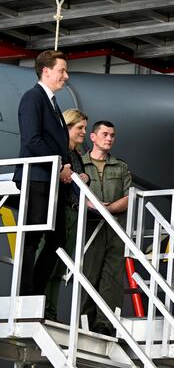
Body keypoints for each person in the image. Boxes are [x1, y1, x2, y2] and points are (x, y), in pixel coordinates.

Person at [12, 50, 73, 298]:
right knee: (32, 238)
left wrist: (68, 169)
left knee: (57, 239)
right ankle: (26, 294)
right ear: (46, 72)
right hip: (38, 178)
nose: (66, 76)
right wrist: (59, 166)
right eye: (62, 70)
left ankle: (35, 291)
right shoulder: (33, 98)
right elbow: (32, 140)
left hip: (51, 180)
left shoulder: (52, 103)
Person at [80, 120, 131, 334]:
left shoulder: (120, 166)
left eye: (112, 135)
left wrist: (108, 210)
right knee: (89, 274)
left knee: (113, 277)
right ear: (93, 137)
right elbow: (75, 194)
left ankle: (105, 324)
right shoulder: (80, 164)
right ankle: (84, 321)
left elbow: (129, 196)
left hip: (115, 228)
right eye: (104, 134)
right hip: (90, 227)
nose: (109, 138)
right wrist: (95, 208)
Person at [43, 109, 91, 321]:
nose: (83, 132)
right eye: (80, 128)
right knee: (50, 261)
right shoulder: (60, 152)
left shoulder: (77, 156)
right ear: (68, 127)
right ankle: (45, 308)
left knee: (61, 265)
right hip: (60, 210)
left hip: (74, 212)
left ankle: (51, 310)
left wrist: (85, 178)